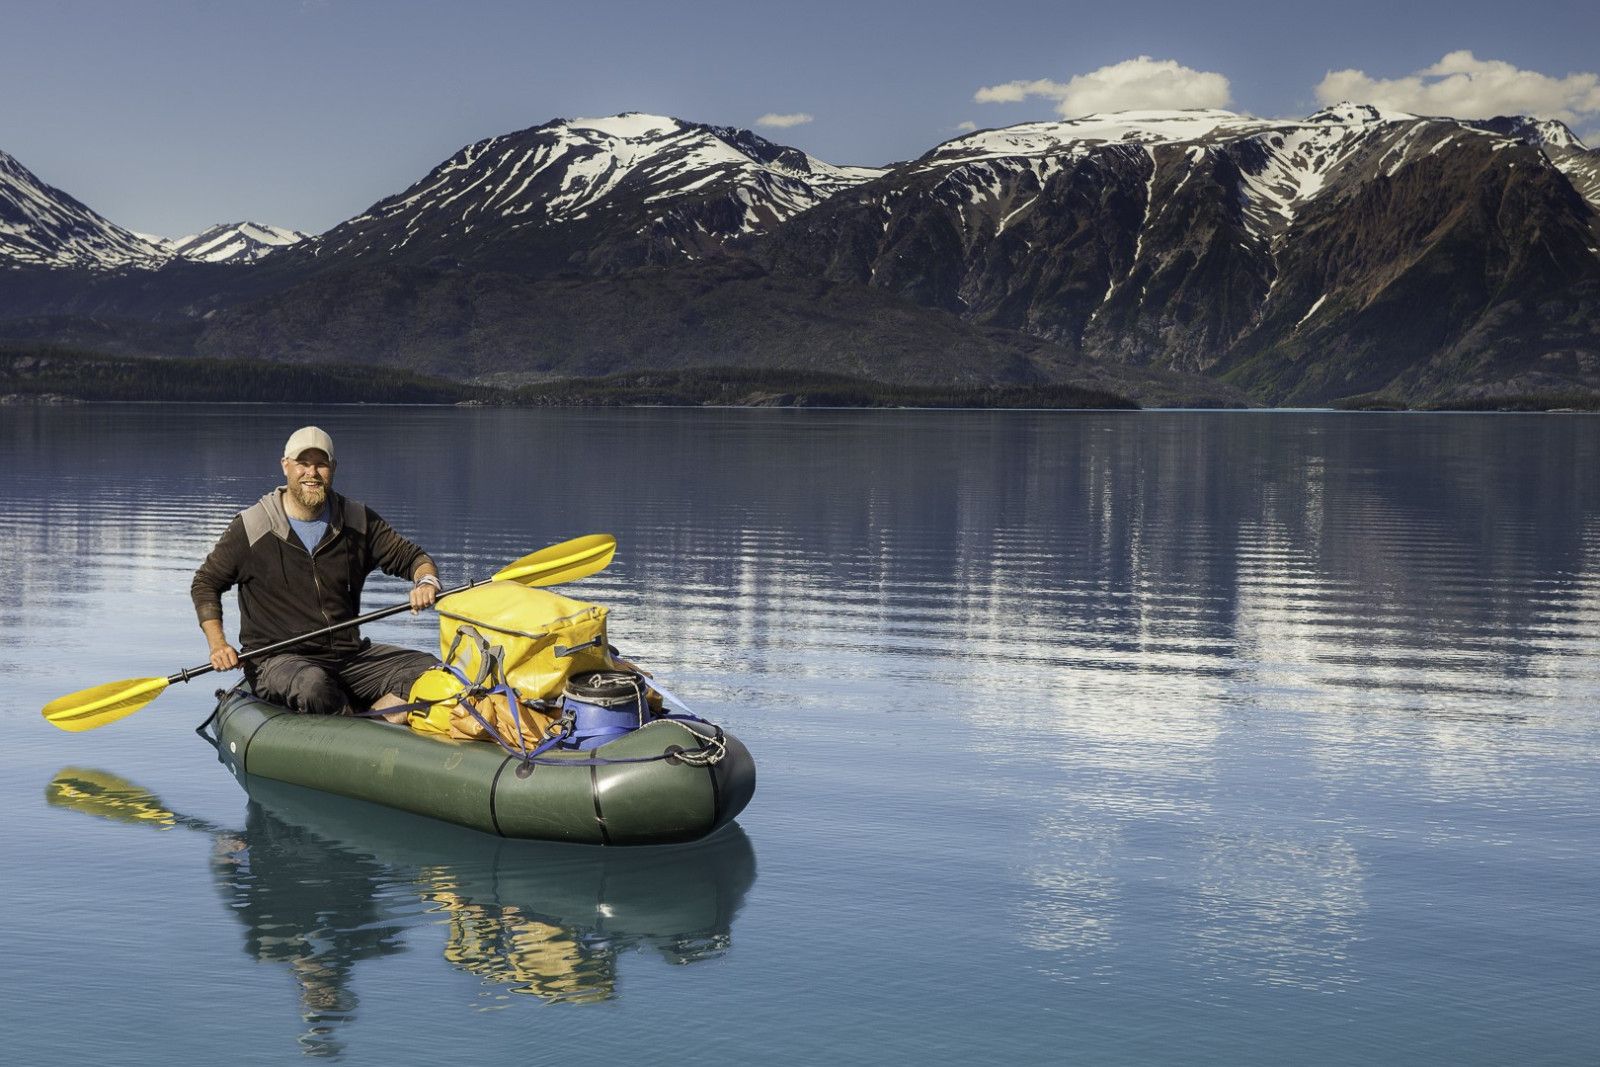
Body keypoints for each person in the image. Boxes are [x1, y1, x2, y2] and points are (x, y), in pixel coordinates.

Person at [191, 426, 441, 723]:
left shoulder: (357, 520)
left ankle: (371, 725)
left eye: (321, 464)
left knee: (431, 670)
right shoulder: (253, 526)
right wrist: (218, 644)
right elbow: (206, 583)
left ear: (333, 468)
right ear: (286, 466)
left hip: (348, 656)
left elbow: (414, 558)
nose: (312, 473)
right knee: (313, 686)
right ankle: (363, 733)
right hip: (277, 660)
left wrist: (426, 581)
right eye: (303, 464)